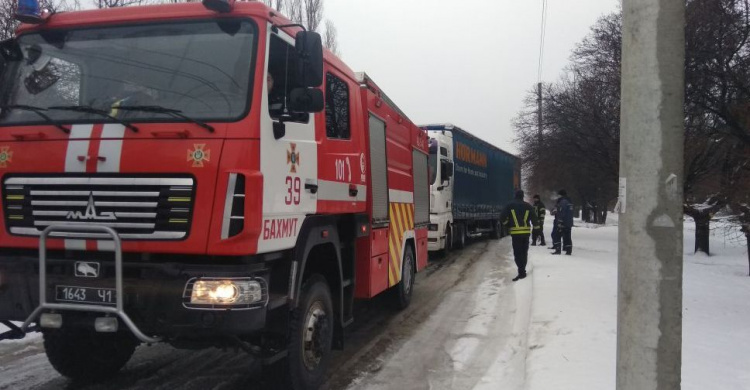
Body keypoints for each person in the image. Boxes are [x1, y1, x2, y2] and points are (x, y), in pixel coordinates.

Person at [501, 189, 539, 281]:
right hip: (526, 233)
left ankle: (521, 272)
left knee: (517, 253)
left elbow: (502, 217)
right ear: (522, 196)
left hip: (516, 234)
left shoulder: (510, 205)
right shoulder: (528, 206)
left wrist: (508, 224)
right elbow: (535, 220)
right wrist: (537, 232)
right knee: (524, 252)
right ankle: (522, 271)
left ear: (515, 195)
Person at [551, 189, 574, 255]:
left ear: (560, 195)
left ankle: (558, 250)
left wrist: (560, 221)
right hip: (569, 222)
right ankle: (568, 250)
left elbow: (561, 212)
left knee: (557, 235)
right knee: (567, 236)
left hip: (563, 222)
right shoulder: (569, 201)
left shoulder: (563, 202)